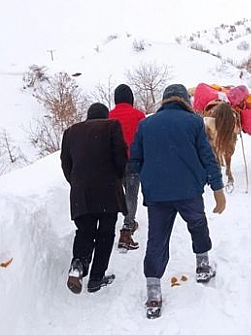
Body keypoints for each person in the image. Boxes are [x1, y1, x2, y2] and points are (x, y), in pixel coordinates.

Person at [130, 83, 227, 318]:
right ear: (185, 100)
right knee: (197, 224)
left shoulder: (145, 125)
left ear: (165, 101)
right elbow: (208, 156)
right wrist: (217, 188)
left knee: (156, 239)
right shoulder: (194, 122)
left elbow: (134, 161)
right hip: (188, 191)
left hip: (157, 195)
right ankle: (203, 266)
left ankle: (153, 294)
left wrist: (149, 180)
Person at [61, 103, 127, 293]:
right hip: (107, 190)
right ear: (105, 115)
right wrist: (116, 178)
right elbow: (121, 158)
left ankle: (78, 265)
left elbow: (66, 164)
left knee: (84, 230)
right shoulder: (112, 126)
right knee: (105, 233)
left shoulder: (71, 132)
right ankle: (96, 278)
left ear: (88, 116)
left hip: (81, 193)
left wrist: (77, 183)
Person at [109, 83, 146, 251]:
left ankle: (121, 223)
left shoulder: (108, 116)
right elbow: (145, 139)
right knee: (131, 195)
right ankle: (127, 228)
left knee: (119, 195)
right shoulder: (139, 115)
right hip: (133, 162)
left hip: (114, 164)